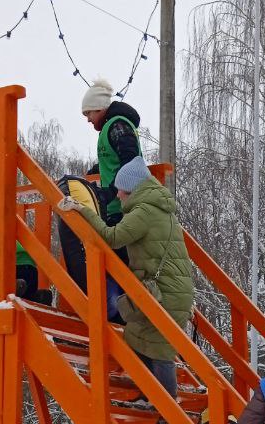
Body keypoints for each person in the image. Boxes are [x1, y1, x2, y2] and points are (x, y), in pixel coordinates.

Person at [60, 157, 194, 411]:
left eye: (121, 189)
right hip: (172, 290)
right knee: (137, 337)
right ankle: (150, 396)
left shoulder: (144, 211)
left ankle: (169, 412)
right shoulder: (157, 209)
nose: (118, 195)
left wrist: (83, 210)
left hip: (166, 292)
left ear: (132, 188)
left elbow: (113, 237)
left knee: (160, 350)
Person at [79, 78, 144, 226]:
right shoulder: (110, 127)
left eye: (88, 113)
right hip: (117, 207)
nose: (88, 120)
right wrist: (93, 172)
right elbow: (113, 160)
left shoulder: (118, 126)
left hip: (126, 208)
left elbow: (130, 161)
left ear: (99, 108)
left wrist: (110, 192)